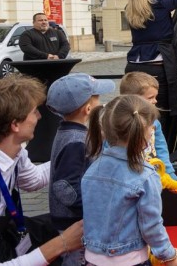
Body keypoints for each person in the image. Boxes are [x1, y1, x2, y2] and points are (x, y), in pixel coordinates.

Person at [0, 75, 84, 265]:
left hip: (3, 230)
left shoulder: (9, 150)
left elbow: (33, 180)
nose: (38, 116)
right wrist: (62, 243)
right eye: (34, 112)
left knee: (65, 223)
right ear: (15, 124)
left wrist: (73, 156)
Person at [82, 95, 177, 266]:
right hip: (129, 258)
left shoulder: (93, 168)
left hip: (92, 256)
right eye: (152, 127)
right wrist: (169, 255)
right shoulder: (145, 175)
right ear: (145, 133)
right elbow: (151, 226)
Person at [46, 73, 115, 266]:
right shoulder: (76, 140)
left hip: (75, 219)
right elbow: (64, 187)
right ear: (88, 108)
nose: (100, 102)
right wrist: (95, 209)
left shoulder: (69, 132)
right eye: (97, 98)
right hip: (75, 223)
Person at [125, 0, 177, 151]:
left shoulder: (131, 8)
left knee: (138, 110)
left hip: (134, 65)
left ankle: (139, 147)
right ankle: (163, 150)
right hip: (158, 66)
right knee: (163, 111)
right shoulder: (159, 4)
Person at [120, 71, 177, 182]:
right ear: (133, 99)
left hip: (153, 175)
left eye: (155, 97)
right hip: (130, 177)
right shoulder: (121, 123)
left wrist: (170, 174)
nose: (155, 101)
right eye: (150, 97)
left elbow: (161, 148)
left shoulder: (155, 122)